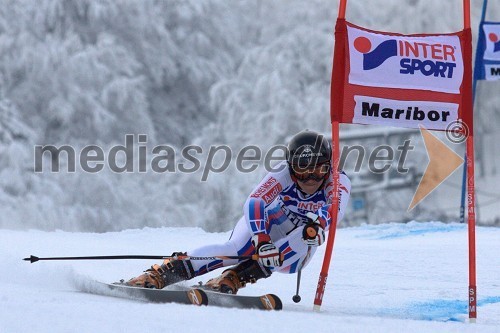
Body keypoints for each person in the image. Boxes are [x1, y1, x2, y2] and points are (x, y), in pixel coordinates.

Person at [126, 129, 351, 294]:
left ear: (328, 166)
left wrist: (320, 226)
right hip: (271, 221)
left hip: (295, 249)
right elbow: (255, 202)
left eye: (319, 169)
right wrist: (262, 239)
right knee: (236, 249)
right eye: (303, 170)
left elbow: (333, 210)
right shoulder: (282, 173)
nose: (311, 179)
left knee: (308, 234)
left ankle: (234, 277)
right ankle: (161, 273)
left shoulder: (338, 180)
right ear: (292, 167)